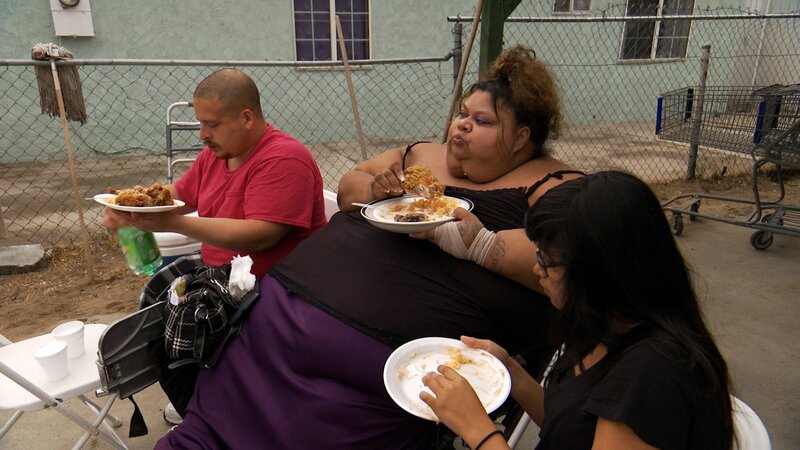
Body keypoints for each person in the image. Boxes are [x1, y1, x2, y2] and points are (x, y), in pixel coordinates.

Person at [156, 45, 583, 449]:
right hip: (283, 312)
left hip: (382, 352)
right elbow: (348, 188)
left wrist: (478, 244)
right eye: (462, 114)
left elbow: (572, 263)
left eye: (483, 122)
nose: (462, 125)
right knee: (214, 425)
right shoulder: (421, 154)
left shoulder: (552, 185)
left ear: (522, 137)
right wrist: (376, 189)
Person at [420, 171, 735, 450]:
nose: (535, 268)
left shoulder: (654, 376)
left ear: (599, 272)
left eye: (547, 260)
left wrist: (479, 431)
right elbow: (570, 428)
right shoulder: (607, 324)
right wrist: (507, 370)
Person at [103, 68, 328, 423]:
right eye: (200, 124)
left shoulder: (284, 158)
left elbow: (263, 234)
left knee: (175, 332)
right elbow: (179, 195)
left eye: (212, 124)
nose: (203, 135)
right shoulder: (218, 154)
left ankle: (214, 416)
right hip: (220, 275)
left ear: (246, 117)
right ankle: (205, 402)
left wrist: (172, 221)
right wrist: (132, 207)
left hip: (275, 286)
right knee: (157, 305)